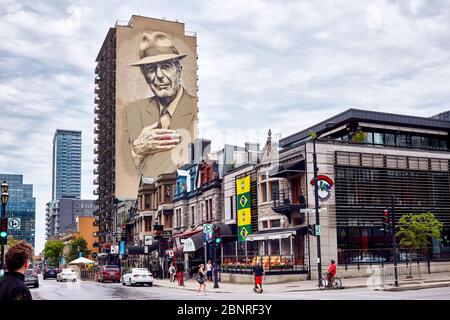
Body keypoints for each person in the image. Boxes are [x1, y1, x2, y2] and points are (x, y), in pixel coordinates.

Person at [125, 31, 198, 177]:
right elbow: (128, 171)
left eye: (166, 66)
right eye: (151, 69)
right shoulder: (133, 111)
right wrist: (137, 150)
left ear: (179, 71)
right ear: (146, 77)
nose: (159, 75)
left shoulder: (194, 107)